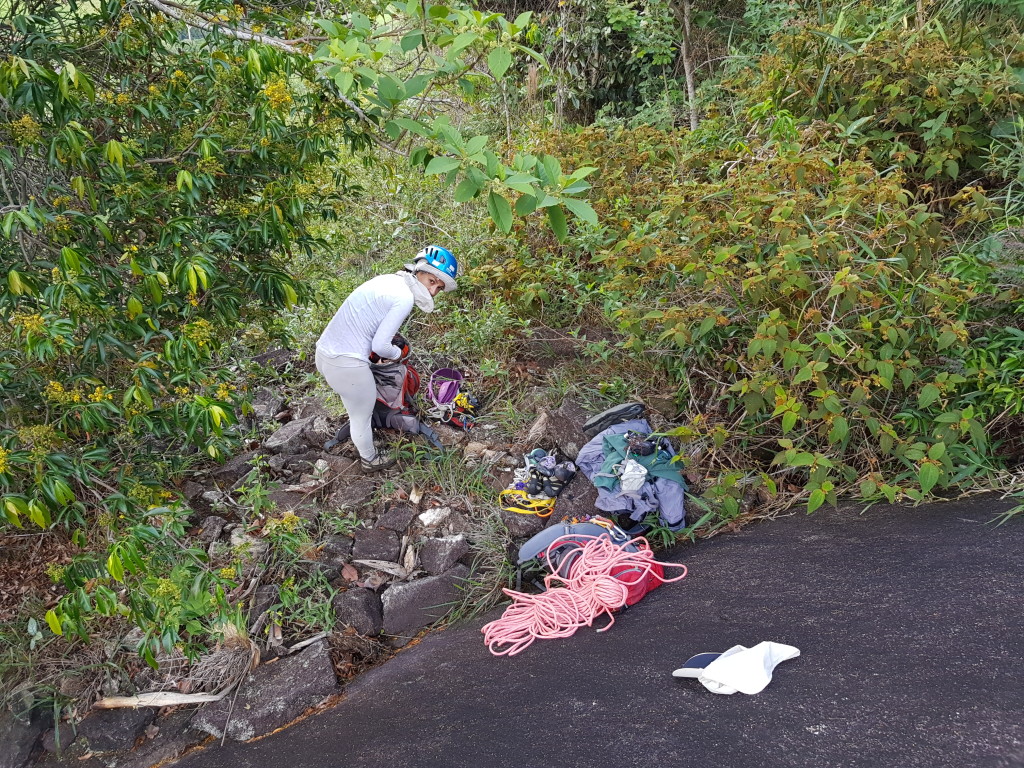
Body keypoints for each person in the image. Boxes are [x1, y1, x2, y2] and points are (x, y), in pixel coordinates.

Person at [315, 245, 458, 471]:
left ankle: (361, 439)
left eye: (439, 288)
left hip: (325, 355)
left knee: (356, 409)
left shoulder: (389, 281)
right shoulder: (404, 298)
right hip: (345, 363)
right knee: (361, 416)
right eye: (432, 282)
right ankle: (370, 460)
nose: (433, 292)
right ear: (419, 271)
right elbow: (380, 346)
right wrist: (399, 354)